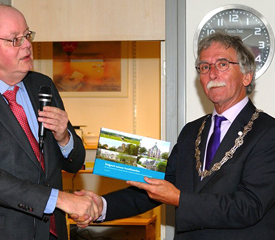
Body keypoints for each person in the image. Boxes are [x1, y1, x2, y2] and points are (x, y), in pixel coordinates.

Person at [73, 33, 275, 239]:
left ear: (247, 76)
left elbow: (250, 206)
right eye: (204, 67)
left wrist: (179, 199)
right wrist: (102, 206)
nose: (212, 74)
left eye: (222, 64)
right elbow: (156, 185)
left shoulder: (267, 132)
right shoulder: (191, 131)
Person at [0, 4, 98, 240]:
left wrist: (65, 138)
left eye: (27, 35)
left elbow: (74, 163)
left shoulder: (43, 86)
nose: (27, 45)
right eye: (15, 40)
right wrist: (59, 200)